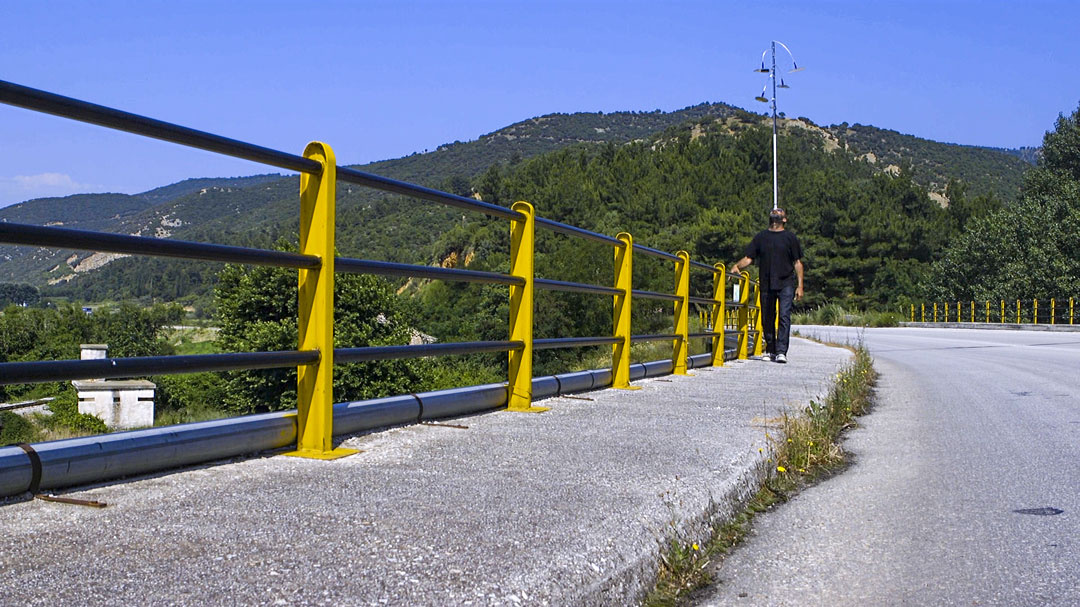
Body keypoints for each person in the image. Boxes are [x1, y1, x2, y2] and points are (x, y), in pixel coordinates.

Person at [730, 207, 804, 363]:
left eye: (780, 211)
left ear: (785, 219)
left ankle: (781, 351)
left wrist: (800, 286)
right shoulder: (761, 237)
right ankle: (771, 350)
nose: (776, 211)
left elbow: (797, 263)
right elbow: (749, 258)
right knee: (767, 317)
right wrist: (737, 266)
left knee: (784, 316)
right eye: (774, 210)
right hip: (766, 282)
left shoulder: (790, 238)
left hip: (786, 283)